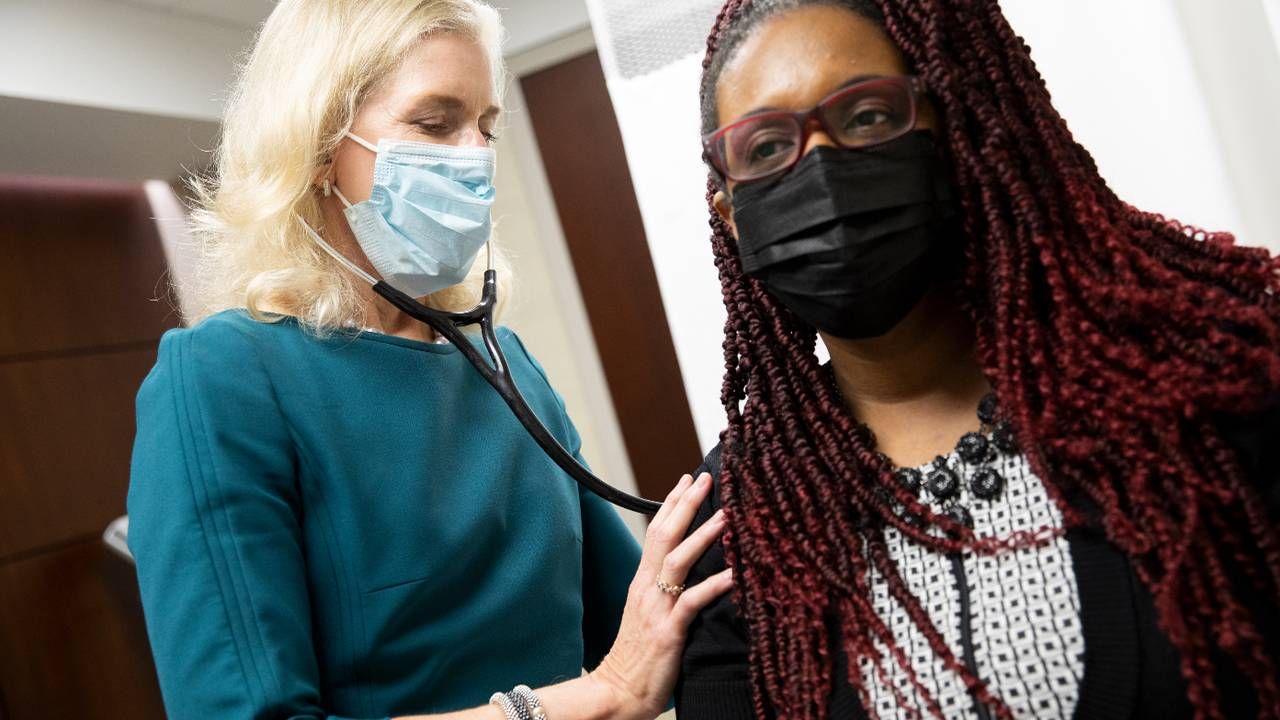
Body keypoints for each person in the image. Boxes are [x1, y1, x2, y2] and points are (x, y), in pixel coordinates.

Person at [676, 1, 1280, 718]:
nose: (822, 171)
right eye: (767, 147)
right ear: (729, 211)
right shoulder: (740, 520)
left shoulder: (1205, 383)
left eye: (867, 116)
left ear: (955, 121)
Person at [127, 1, 732, 718]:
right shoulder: (226, 379)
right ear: (320, 146)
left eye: (486, 126)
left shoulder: (505, 367)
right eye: (434, 123)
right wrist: (583, 703)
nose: (474, 156)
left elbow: (644, 632)